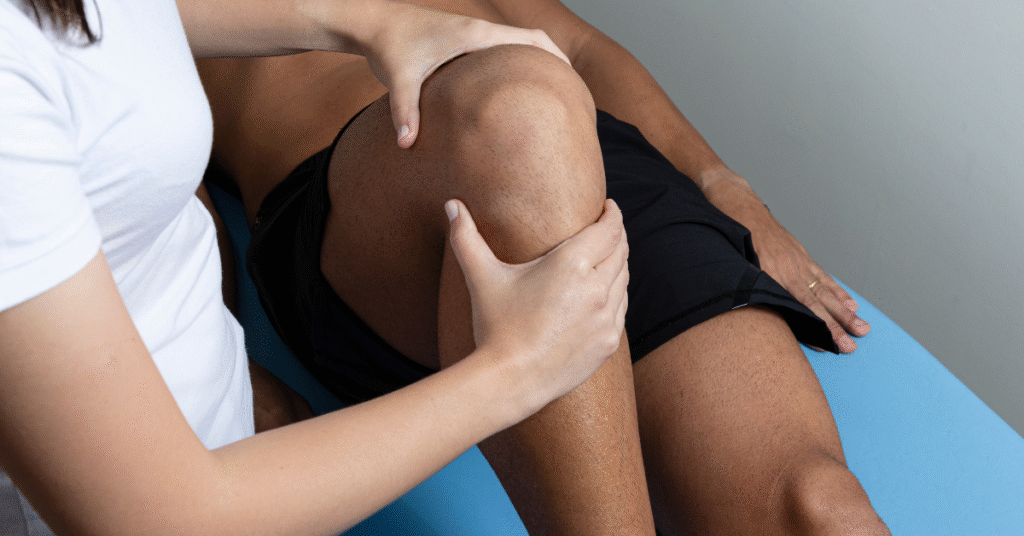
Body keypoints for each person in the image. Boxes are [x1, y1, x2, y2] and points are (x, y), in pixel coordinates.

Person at [197, 1, 893, 535]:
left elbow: (581, 47)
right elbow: (134, 190)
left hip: (586, 154)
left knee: (821, 511)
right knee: (521, 113)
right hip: (360, 205)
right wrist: (215, 355)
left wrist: (725, 187)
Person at [0, 0, 632, 533]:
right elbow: (169, 517)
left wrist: (366, 21)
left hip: (228, 434)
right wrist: (517, 368)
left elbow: (122, 20)